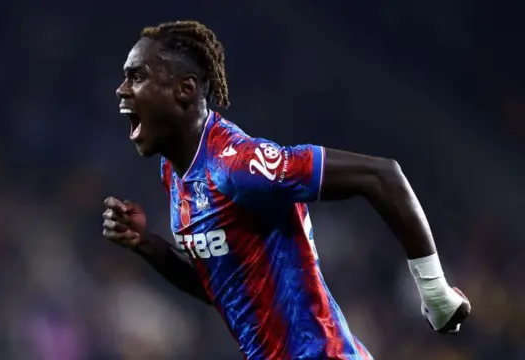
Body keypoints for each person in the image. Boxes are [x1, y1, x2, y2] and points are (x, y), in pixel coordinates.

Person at [102, 20, 470, 360]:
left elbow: (382, 176)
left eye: (137, 77)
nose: (121, 90)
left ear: (185, 90)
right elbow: (224, 289)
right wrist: (144, 243)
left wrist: (435, 294)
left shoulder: (238, 166)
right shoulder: (175, 171)